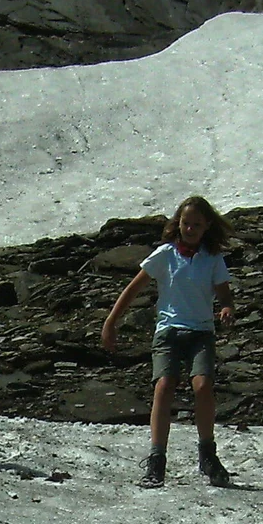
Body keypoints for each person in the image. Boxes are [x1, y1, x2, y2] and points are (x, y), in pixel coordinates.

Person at [99, 196, 235, 488]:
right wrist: (111, 322)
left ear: (207, 226)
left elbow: (224, 293)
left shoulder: (212, 258)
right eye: (186, 223)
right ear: (178, 223)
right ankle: (157, 459)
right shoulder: (165, 255)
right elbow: (133, 289)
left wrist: (226, 307)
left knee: (203, 385)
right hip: (169, 331)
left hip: (201, 332)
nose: (190, 229)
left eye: (197, 224)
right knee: (164, 384)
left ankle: (207, 454)